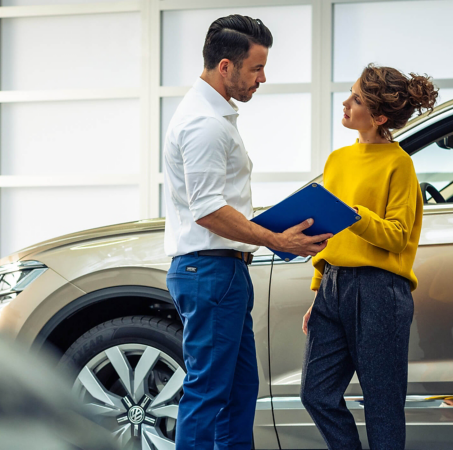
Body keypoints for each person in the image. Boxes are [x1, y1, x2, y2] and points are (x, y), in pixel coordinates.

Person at [162, 15, 333, 450]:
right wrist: (278, 240)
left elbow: (220, 204)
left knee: (239, 394)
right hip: (211, 271)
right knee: (207, 393)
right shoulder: (204, 124)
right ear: (225, 66)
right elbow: (208, 211)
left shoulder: (213, 115)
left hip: (224, 272)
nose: (262, 78)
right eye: (256, 68)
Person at [299, 63, 438, 450]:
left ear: (378, 116)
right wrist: (318, 291)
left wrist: (354, 216)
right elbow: (327, 234)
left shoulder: (400, 165)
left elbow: (396, 237)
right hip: (332, 287)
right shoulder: (336, 160)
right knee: (316, 394)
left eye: (356, 99)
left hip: (380, 292)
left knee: (382, 406)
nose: (345, 102)